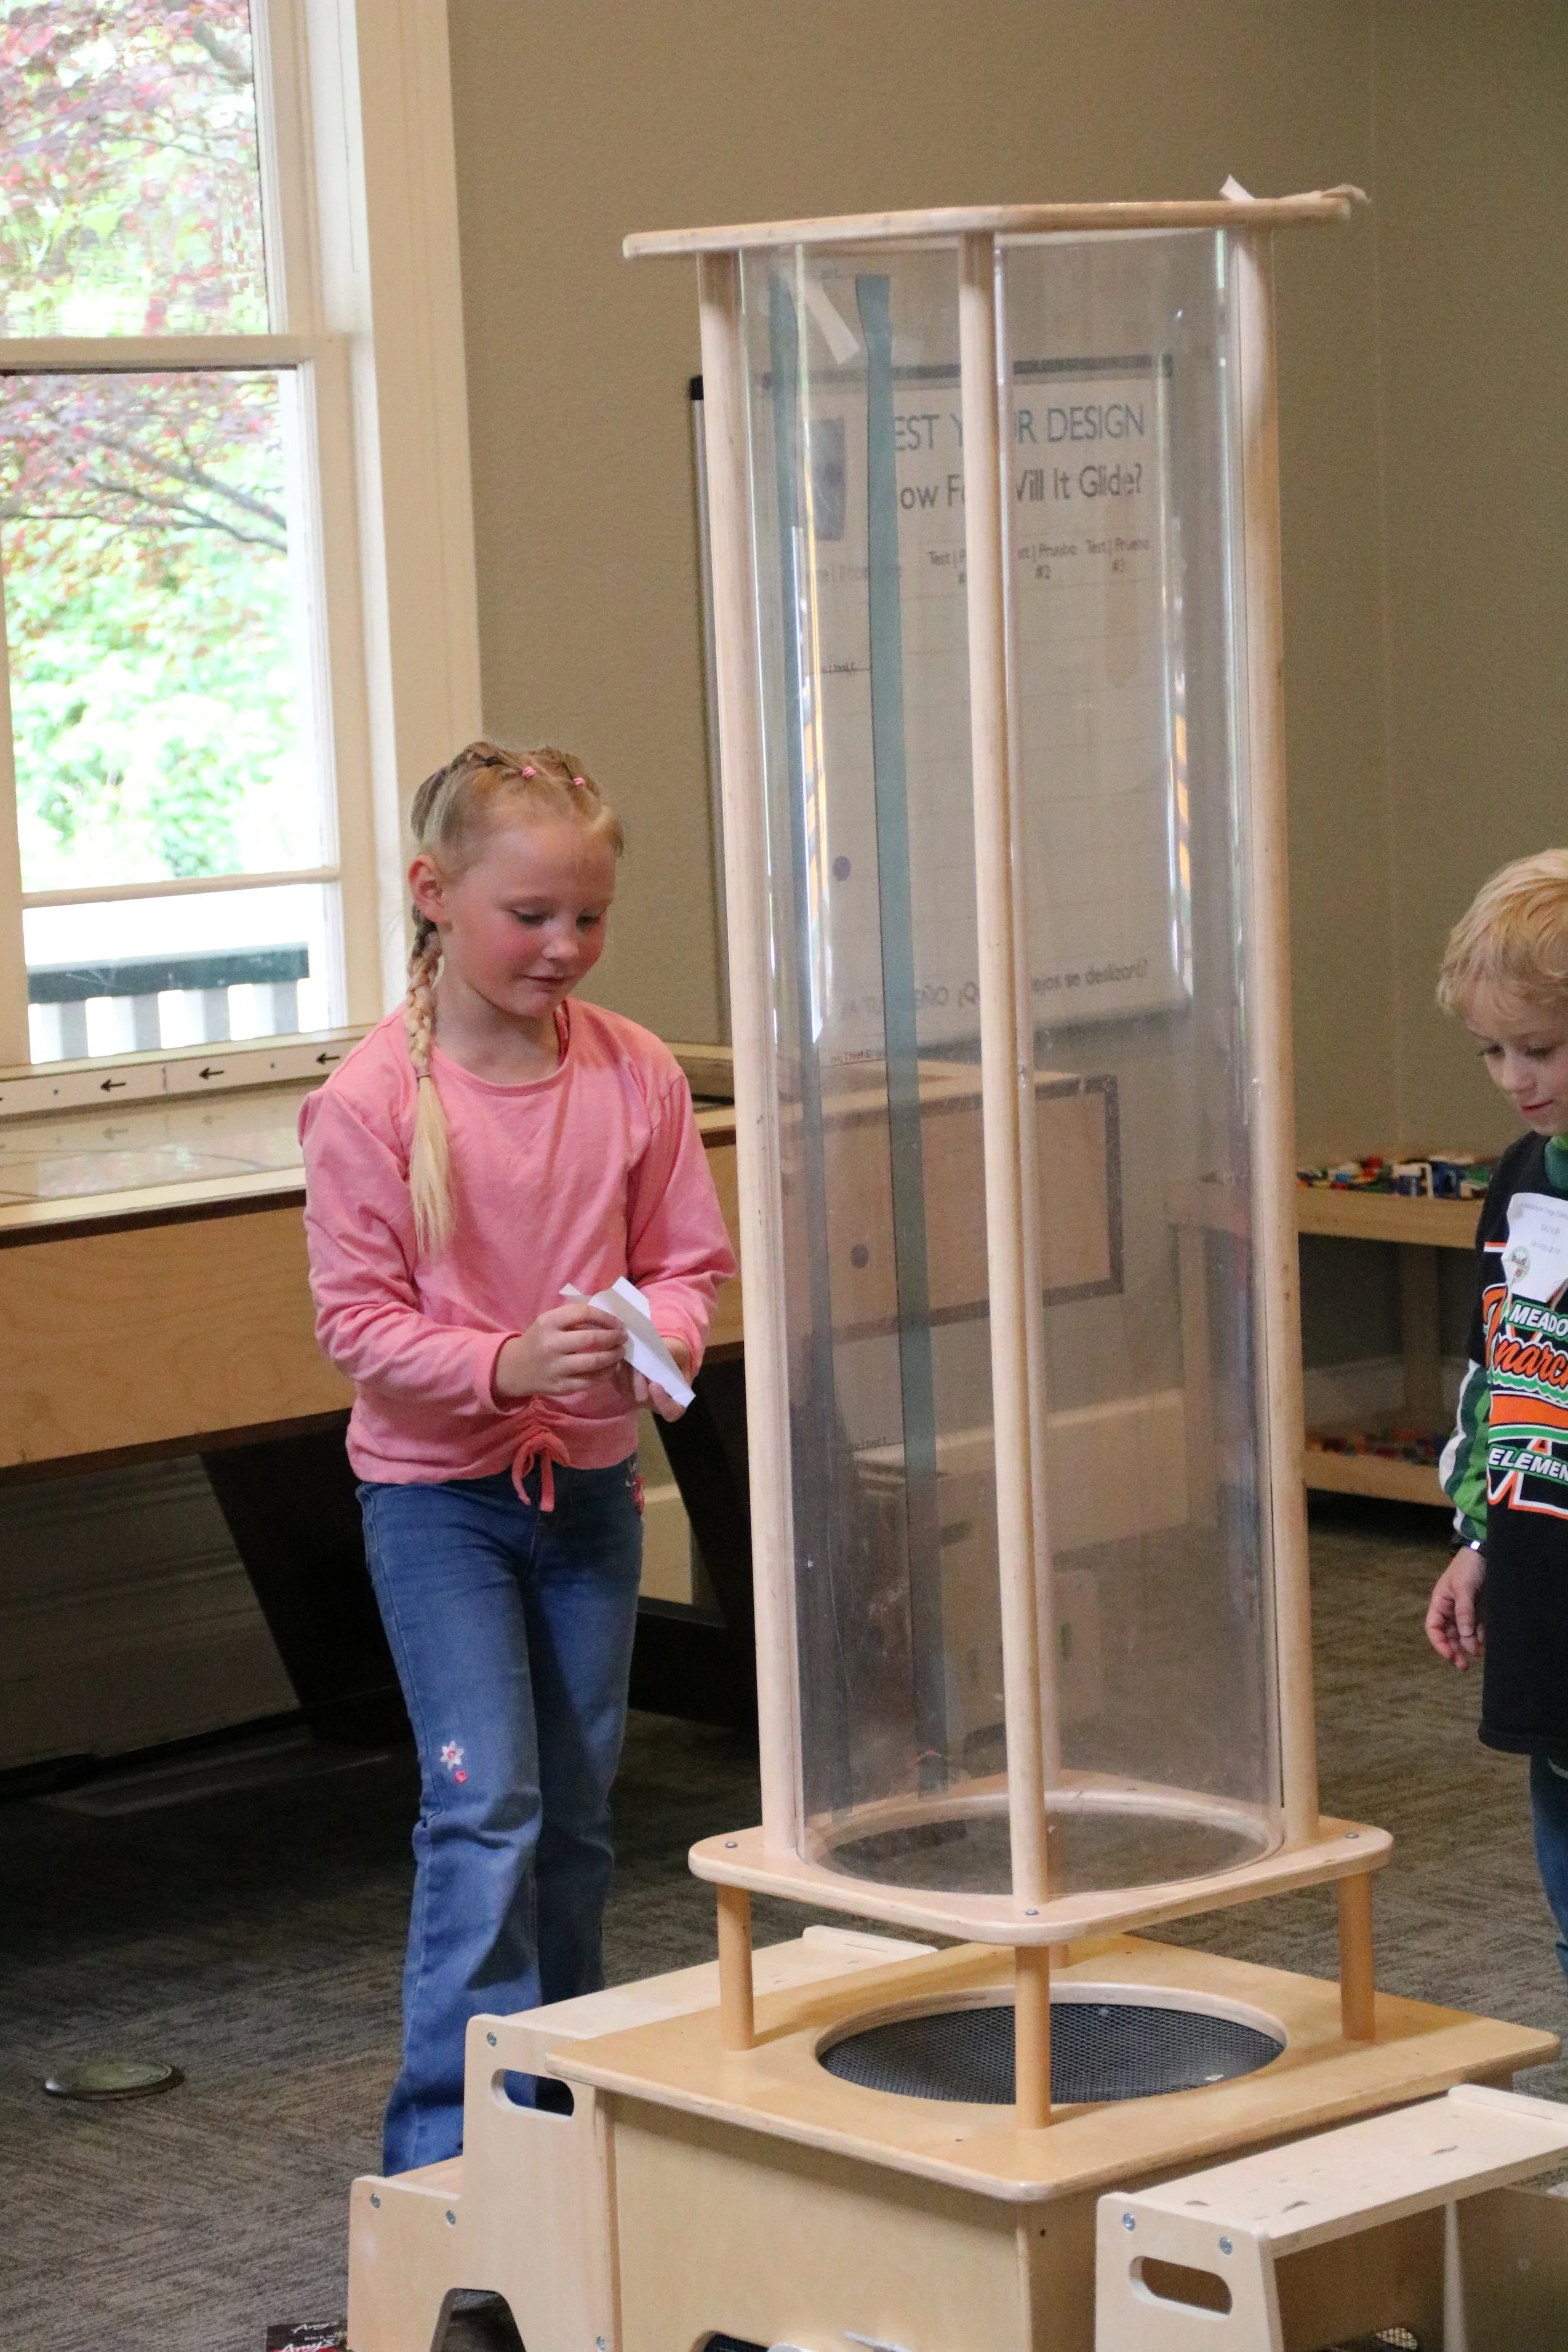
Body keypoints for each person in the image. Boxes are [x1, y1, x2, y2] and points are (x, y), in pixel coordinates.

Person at [299, 739, 735, 2172]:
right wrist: (501, 1366)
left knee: (577, 1813)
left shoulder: (635, 1073)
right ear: (434, 894)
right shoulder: (370, 1101)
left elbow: (687, 1264)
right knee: (487, 1808)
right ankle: (450, 2155)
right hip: (440, 1510)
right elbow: (356, 1325)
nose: (564, 946)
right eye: (529, 915)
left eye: (589, 917)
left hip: (591, 1494)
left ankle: (557, 2112)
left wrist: (651, 1339)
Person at [1425, 848, 1568, 1986]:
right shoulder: (1521, 1177)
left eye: (1543, 1049)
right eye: (1492, 1051)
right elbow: (1500, 1379)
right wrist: (1478, 1538)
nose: (1515, 1078)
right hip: (1542, 1582)